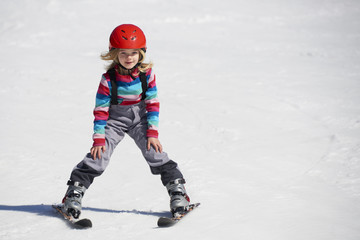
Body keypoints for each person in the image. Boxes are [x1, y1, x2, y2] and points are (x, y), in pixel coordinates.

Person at [61, 24, 190, 219]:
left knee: (154, 152)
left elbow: (153, 104)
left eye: (133, 53)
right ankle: (73, 194)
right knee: (99, 155)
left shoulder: (147, 75)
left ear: (141, 53)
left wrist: (152, 133)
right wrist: (98, 139)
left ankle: (178, 193)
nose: (129, 58)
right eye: (123, 53)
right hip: (114, 120)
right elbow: (101, 110)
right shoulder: (108, 79)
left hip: (140, 119)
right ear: (114, 54)